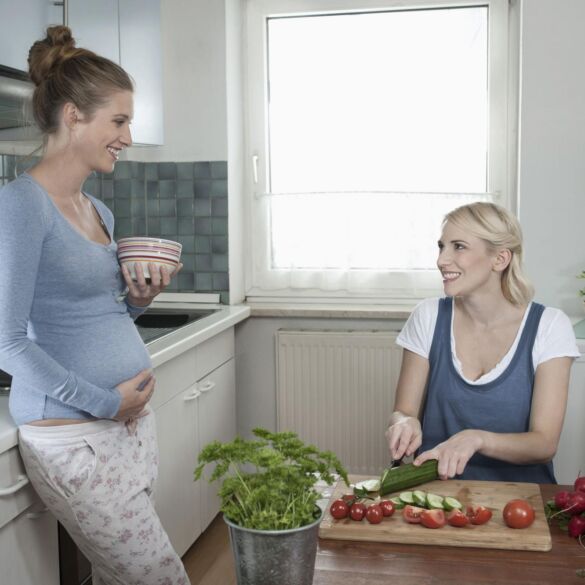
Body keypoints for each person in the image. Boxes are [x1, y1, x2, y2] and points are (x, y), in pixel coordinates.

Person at [0, 26, 190, 584]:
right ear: (73, 115)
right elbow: (7, 342)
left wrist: (139, 299)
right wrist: (104, 402)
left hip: (128, 428)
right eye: (119, 121)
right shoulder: (20, 206)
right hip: (73, 436)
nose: (127, 137)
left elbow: (99, 316)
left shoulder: (98, 211)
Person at [385, 202, 580, 483]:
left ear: (500, 259)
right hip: (438, 494)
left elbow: (544, 444)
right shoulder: (427, 316)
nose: (441, 260)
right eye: (441, 246)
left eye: (459, 246)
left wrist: (477, 439)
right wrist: (403, 422)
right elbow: (403, 410)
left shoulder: (549, 326)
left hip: (522, 502)